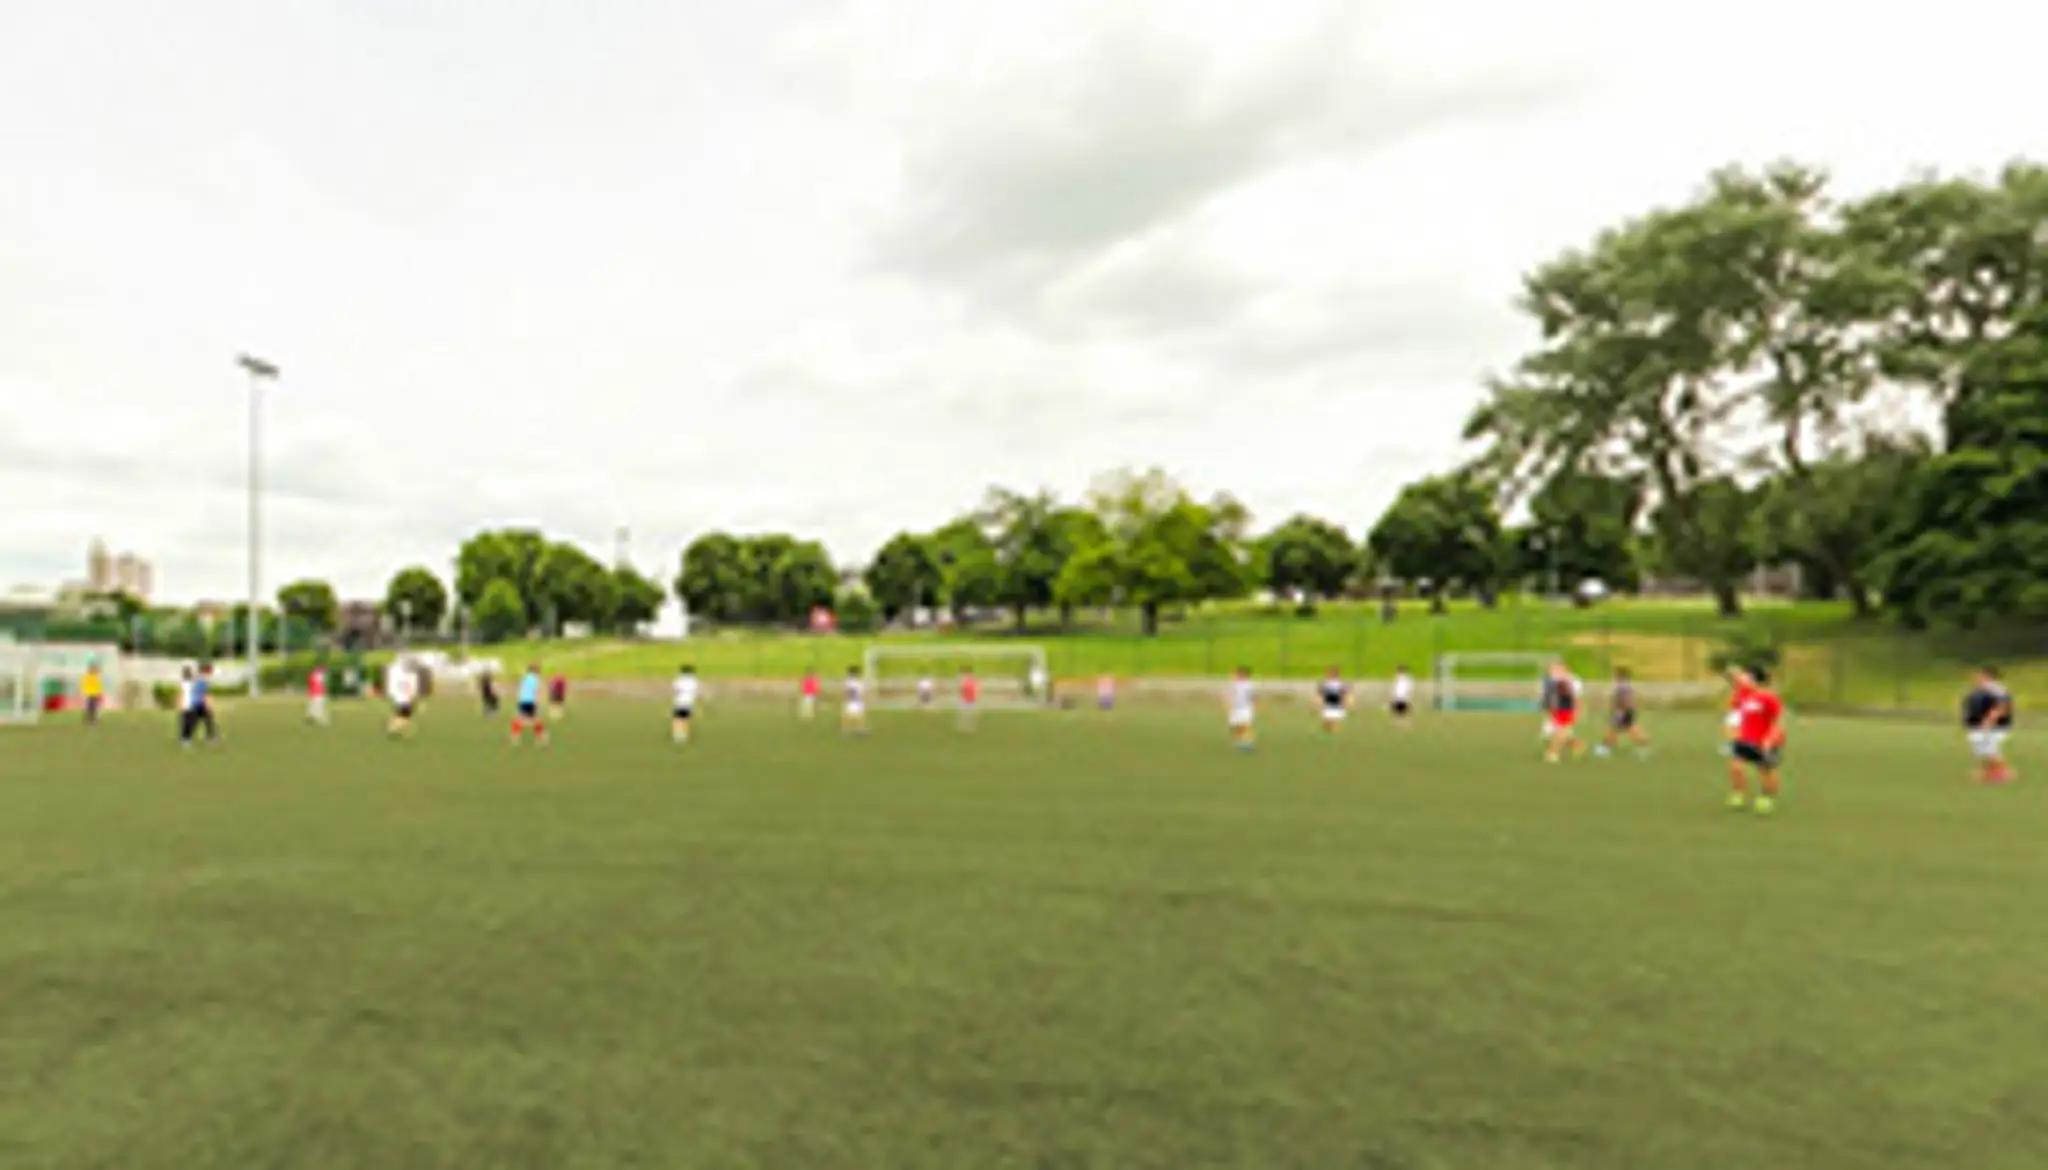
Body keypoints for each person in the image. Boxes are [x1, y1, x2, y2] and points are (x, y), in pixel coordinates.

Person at [1726, 666, 1787, 814]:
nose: (1743, 679)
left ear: (1755, 680)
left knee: (1766, 770)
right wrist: (1734, 673)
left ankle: (1766, 798)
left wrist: (1770, 740)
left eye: (1747, 676)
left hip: (1765, 741)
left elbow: (1777, 721)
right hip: (1745, 739)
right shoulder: (1744, 694)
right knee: (1736, 767)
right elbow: (1736, 681)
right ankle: (1738, 795)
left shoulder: (1769, 698)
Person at [1963, 666, 2016, 785]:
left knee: (1990, 750)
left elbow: (2001, 707)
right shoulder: (1981, 689)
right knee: (1981, 749)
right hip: (1978, 725)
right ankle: (1986, 773)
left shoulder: (1996, 689)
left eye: (1981, 675)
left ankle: (2006, 772)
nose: (1977, 677)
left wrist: (1988, 720)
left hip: (1993, 726)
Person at [1596, 668, 1650, 758]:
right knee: (1630, 730)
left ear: (1619, 677)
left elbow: (1626, 701)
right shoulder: (1624, 686)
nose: (1612, 678)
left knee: (1614, 730)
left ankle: (1604, 749)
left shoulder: (1622, 687)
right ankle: (1645, 747)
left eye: (1614, 676)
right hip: (1626, 712)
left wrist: (1620, 711)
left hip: (1623, 712)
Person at [1542, 660, 1584, 763]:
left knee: (1560, 732)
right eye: (1551, 669)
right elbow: (1548, 698)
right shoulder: (1551, 681)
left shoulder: (1573, 681)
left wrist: (1577, 711)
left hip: (1566, 709)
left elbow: (1576, 698)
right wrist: (1549, 711)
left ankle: (1553, 754)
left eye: (1555, 668)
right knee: (1549, 734)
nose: (1551, 671)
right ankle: (1577, 745)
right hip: (1555, 710)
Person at [511, 664, 548, 745]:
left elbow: (520, 689)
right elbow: (537, 691)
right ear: (536, 670)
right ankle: (541, 737)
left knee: (519, 719)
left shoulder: (524, 678)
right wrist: (538, 701)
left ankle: (515, 737)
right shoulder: (536, 679)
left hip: (522, 701)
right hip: (531, 701)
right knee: (536, 719)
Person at [385, 657, 419, 738]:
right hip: (405, 700)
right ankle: (392, 728)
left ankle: (395, 728)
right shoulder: (410, 677)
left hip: (399, 699)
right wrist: (413, 698)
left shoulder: (402, 676)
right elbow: (411, 690)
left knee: (401, 716)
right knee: (405, 718)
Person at [1226, 666, 1256, 750]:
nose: (1239, 676)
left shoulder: (1249, 685)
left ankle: (1248, 744)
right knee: (1237, 728)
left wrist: (1254, 706)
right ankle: (1241, 743)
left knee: (1246, 726)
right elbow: (1230, 695)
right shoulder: (1234, 684)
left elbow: (1252, 696)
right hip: (1235, 708)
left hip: (1245, 708)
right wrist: (1229, 705)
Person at [672, 665, 700, 745]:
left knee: (677, 718)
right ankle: (684, 734)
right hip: (689, 702)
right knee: (686, 718)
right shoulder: (694, 681)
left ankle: (677, 735)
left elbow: (675, 689)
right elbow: (696, 691)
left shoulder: (679, 679)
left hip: (679, 702)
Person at [1317, 667, 1349, 733]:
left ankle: (1333, 731)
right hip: (1328, 704)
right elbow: (1321, 694)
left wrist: (1344, 703)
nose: (1330, 676)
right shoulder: (1324, 684)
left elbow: (1344, 694)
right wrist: (1321, 704)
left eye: (1332, 674)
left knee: (1335, 722)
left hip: (1337, 704)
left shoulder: (1341, 684)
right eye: (1330, 674)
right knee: (1327, 723)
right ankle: (1329, 731)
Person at [841, 666, 867, 735]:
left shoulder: (848, 682)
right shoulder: (859, 683)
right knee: (861, 716)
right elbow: (862, 692)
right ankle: (861, 729)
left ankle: (846, 729)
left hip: (850, 701)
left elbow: (845, 691)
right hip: (858, 701)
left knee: (847, 716)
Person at [81, 660, 105, 725]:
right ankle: (90, 720)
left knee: (95, 708)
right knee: (90, 708)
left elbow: (99, 685)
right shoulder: (87, 676)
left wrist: (100, 693)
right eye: (94, 668)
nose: (95, 669)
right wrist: (84, 692)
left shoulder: (96, 676)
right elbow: (84, 685)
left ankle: (94, 720)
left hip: (95, 694)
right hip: (90, 694)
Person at [957, 666, 979, 732]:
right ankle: (963, 726)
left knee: (969, 713)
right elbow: (961, 689)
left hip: (970, 698)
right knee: (965, 713)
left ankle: (967, 726)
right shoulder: (965, 680)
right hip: (966, 698)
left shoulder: (972, 680)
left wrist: (976, 696)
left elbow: (976, 689)